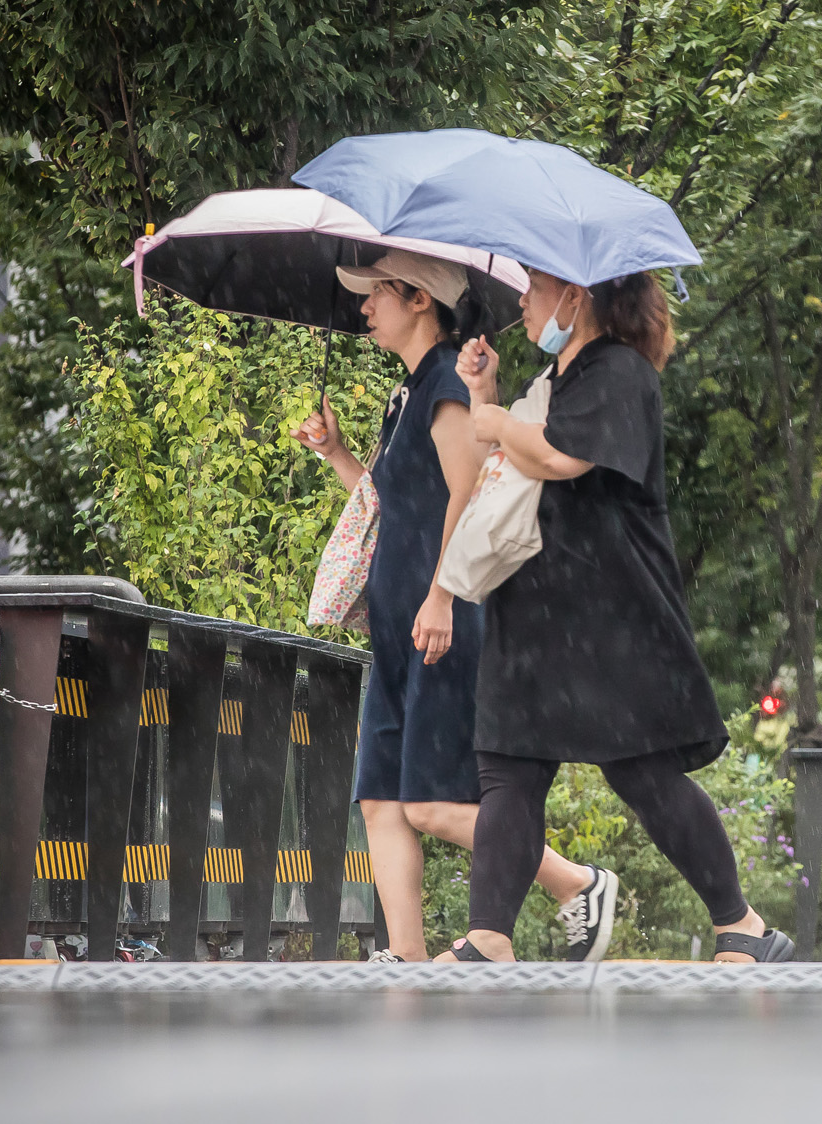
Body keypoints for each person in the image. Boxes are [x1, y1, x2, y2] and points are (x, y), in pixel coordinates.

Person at [440, 267, 791, 963]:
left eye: (537, 287)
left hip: (612, 614)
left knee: (643, 773)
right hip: (537, 609)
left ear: (579, 296)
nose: (523, 301)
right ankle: (488, 938)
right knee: (510, 765)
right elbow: (507, 467)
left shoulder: (620, 374)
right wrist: (486, 397)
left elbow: (559, 458)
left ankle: (743, 925)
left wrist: (497, 420)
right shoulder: (555, 382)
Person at [290, 249, 615, 963]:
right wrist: (340, 456)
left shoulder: (442, 385)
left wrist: (439, 596)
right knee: (379, 800)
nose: (363, 307)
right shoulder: (404, 396)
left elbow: (467, 495)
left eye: (375, 294)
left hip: (440, 619)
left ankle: (576, 883)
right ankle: (406, 958)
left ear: (418, 300)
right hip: (397, 621)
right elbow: (393, 507)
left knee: (432, 803)